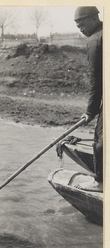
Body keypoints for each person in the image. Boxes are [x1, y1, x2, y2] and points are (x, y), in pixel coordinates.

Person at [74, 6, 103, 192]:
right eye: (78, 27)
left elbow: (96, 81)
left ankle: (100, 183)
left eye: (82, 25)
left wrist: (90, 112)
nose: (81, 30)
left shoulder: (95, 40)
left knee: (100, 140)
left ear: (94, 19)